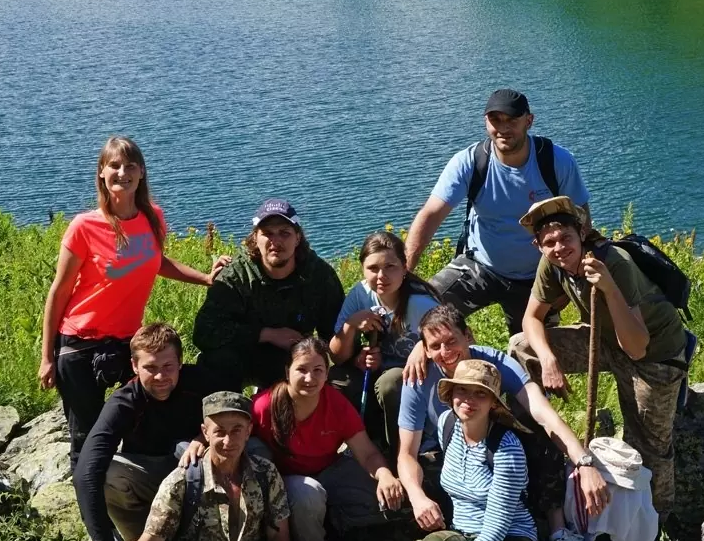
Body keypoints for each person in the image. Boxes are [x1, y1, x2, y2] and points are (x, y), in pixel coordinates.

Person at [37, 136, 228, 469]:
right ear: (101, 172)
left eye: (130, 166)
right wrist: (46, 358)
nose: (122, 173)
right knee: (88, 438)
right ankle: (89, 495)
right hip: (80, 343)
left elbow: (156, 261)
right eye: (114, 165)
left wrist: (205, 278)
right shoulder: (84, 226)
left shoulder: (153, 217)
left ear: (141, 173)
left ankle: (141, 487)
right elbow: (59, 292)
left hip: (128, 342)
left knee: (144, 418)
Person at [509, 196, 689, 525]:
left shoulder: (615, 263)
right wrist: (548, 360)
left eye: (566, 238)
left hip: (654, 354)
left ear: (582, 233)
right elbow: (531, 320)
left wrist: (609, 288)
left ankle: (658, 521)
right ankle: (537, 440)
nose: (559, 247)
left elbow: (636, 347)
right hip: (604, 340)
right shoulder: (552, 263)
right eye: (549, 242)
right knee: (522, 348)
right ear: (538, 246)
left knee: (649, 446)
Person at [398, 305, 606, 541]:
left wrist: (583, 463)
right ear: (425, 350)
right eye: (435, 346)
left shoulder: (494, 365)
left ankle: (556, 530)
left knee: (537, 427)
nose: (446, 352)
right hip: (450, 450)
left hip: (496, 450)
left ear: (468, 336)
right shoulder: (418, 379)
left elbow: (544, 413)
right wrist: (417, 498)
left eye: (452, 341)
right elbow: (406, 453)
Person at [403, 89, 591, 335]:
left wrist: (568, 279)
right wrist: (403, 276)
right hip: (480, 266)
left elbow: (582, 222)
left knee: (531, 350)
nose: (503, 128)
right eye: (495, 120)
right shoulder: (469, 162)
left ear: (529, 121)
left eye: (512, 120)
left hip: (538, 277)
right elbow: (431, 215)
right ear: (486, 122)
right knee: (421, 311)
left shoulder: (556, 161)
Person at [250, 338, 405, 541]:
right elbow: (232, 426)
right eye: (301, 370)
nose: (309, 378)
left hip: (328, 470)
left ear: (327, 374)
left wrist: (385, 476)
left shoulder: (336, 403)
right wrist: (200, 440)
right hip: (287, 481)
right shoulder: (265, 405)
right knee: (307, 495)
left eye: (317, 370)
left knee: (381, 496)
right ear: (287, 371)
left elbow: (367, 453)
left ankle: (334, 524)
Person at [73, 324, 207, 541]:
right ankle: (138, 538)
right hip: (151, 479)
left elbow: (239, 416)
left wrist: (203, 437)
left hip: (201, 477)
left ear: (180, 362)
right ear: (135, 366)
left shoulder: (200, 382)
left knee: (245, 448)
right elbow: (85, 472)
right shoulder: (124, 403)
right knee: (106, 471)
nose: (160, 377)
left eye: (168, 366)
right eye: (150, 368)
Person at [127, 391, 291, 541]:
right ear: (205, 432)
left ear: (248, 431)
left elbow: (279, 538)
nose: (228, 441)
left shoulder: (266, 474)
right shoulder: (182, 482)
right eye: (219, 431)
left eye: (237, 430)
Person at [193, 199, 345, 392]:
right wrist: (266, 334)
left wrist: (351, 351)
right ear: (255, 238)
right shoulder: (236, 275)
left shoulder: (318, 275)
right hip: (241, 354)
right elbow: (204, 332)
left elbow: (334, 332)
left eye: (284, 233)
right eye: (267, 233)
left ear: (298, 238)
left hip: (291, 359)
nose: (276, 241)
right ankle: (228, 410)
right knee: (214, 362)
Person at [407, 360, 537, 541]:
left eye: (480, 393)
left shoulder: (506, 448)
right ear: (452, 394)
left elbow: (498, 523)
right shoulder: (447, 424)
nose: (469, 400)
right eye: (462, 390)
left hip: (510, 537)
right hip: (462, 532)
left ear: (493, 403)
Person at [329, 230, 439, 457]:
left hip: (423, 377)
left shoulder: (422, 303)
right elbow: (336, 356)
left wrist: (423, 347)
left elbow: (457, 343)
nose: (382, 276)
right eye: (373, 268)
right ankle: (369, 438)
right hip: (381, 372)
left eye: (390, 267)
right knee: (337, 378)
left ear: (404, 267)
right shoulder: (360, 294)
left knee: (392, 382)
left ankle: (401, 451)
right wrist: (351, 327)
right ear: (362, 269)